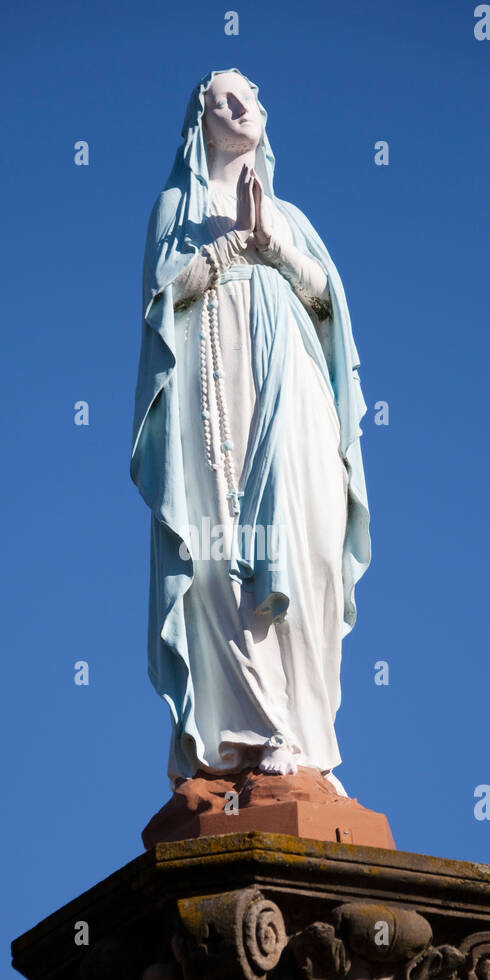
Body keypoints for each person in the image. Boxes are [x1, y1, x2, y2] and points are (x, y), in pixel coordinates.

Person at [131, 69, 370, 794]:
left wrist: (272, 245)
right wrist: (225, 253)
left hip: (294, 382)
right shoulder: (179, 205)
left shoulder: (291, 215)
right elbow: (159, 301)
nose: (243, 107)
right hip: (215, 385)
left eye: (252, 96)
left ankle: (306, 735)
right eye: (223, 100)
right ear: (198, 121)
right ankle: (252, 731)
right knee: (221, 550)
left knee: (311, 546)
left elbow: (330, 306)